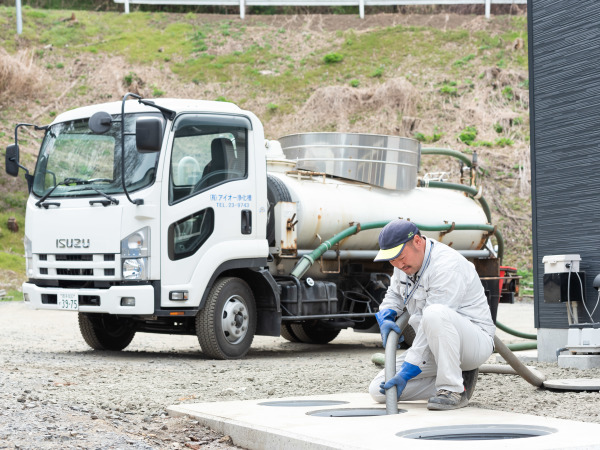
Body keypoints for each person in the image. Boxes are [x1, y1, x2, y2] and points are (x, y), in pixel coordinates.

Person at [369, 219, 495, 410]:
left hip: (471, 344)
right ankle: (461, 381)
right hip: (434, 346)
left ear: (418, 241)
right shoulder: (402, 264)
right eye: (392, 260)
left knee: (434, 313)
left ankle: (452, 389)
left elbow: (435, 319)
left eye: (401, 257)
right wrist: (386, 313)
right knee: (379, 391)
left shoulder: (447, 265)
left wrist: (409, 368)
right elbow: (394, 293)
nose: (398, 264)